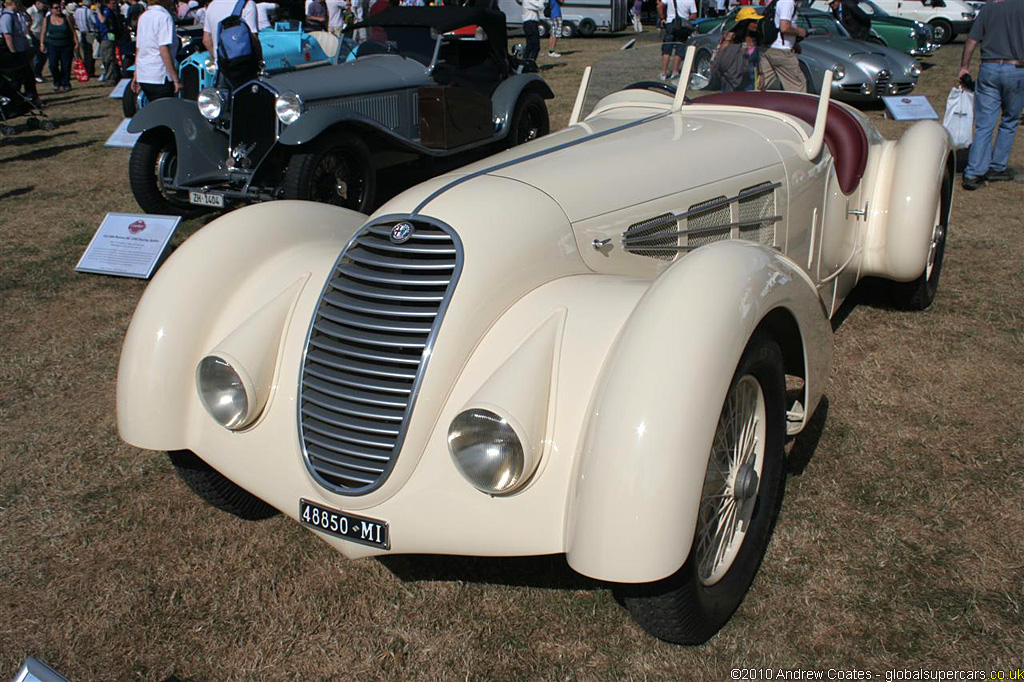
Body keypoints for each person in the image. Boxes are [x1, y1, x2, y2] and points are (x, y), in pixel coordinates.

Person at [958, 0, 1024, 190]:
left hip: (989, 66)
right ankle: (997, 166)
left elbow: (971, 40)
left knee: (984, 124)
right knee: (1010, 120)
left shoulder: (989, 8)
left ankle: (973, 172)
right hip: (1017, 67)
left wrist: (964, 66)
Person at [131, 0, 177, 102]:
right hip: (159, 74)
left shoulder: (143, 17)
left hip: (144, 73)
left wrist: (136, 73)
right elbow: (163, 49)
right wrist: (175, 79)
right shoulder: (164, 17)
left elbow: (139, 48)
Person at [758, 0, 806, 92]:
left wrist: (794, 44)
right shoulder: (787, 2)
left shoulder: (778, 2)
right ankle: (797, 106)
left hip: (769, 48)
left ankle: (750, 103)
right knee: (798, 85)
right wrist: (801, 32)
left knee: (761, 85)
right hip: (782, 51)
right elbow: (784, 27)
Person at [2, 0, 41, 101]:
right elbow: (8, 36)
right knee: (18, 79)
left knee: (29, 77)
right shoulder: (7, 16)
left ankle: (32, 97)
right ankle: (17, 99)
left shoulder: (16, 15)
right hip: (16, 52)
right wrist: (13, 53)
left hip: (23, 50)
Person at [711, 14, 759, 90]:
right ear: (745, 23)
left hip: (750, 80)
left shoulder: (756, 38)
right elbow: (722, 61)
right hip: (732, 81)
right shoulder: (731, 38)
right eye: (753, 22)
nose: (756, 24)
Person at [201, 0, 257, 65]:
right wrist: (259, 62)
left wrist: (218, 58)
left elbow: (206, 40)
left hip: (223, 67)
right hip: (245, 64)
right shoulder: (248, 4)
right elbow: (253, 39)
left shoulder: (212, 6)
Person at [39, 0, 78, 90]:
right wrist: (42, 43)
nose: (58, 9)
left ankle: (66, 83)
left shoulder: (66, 18)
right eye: (56, 8)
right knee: (52, 65)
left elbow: (73, 31)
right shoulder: (47, 19)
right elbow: (43, 32)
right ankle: (56, 82)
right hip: (52, 45)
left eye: (59, 7)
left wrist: (76, 42)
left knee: (66, 65)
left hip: (66, 45)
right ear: (51, 10)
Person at [658, 0, 696, 81]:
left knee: (667, 49)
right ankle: (675, 72)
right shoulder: (691, 1)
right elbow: (694, 15)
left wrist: (662, 18)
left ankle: (663, 72)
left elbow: (659, 6)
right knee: (680, 48)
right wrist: (687, 18)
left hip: (670, 23)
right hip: (683, 25)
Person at [71, 0, 92, 75]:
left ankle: (85, 67)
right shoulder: (89, 11)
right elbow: (93, 21)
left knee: (84, 52)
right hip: (89, 32)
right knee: (90, 52)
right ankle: (89, 69)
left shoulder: (77, 11)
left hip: (79, 31)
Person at [26, 0, 46, 81]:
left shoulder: (41, 12)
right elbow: (27, 24)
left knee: (43, 56)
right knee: (36, 57)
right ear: (37, 3)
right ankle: (35, 75)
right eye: (42, 4)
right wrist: (29, 35)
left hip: (40, 35)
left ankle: (38, 73)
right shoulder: (30, 11)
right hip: (33, 34)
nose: (43, 6)